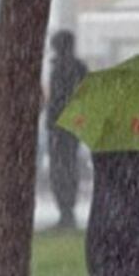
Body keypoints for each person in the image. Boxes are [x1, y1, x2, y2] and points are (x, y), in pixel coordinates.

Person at [45, 30, 88, 229]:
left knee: (61, 169)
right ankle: (67, 210)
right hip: (72, 126)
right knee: (68, 167)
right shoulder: (79, 68)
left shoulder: (62, 68)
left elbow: (57, 99)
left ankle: (65, 210)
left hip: (60, 127)